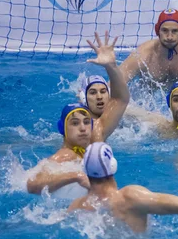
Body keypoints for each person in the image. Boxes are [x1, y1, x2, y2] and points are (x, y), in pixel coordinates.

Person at [26, 31, 130, 196]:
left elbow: (121, 99)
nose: (83, 128)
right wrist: (74, 176)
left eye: (86, 122)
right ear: (63, 129)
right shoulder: (63, 157)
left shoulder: (96, 132)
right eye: (74, 123)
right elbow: (32, 184)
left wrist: (111, 67)